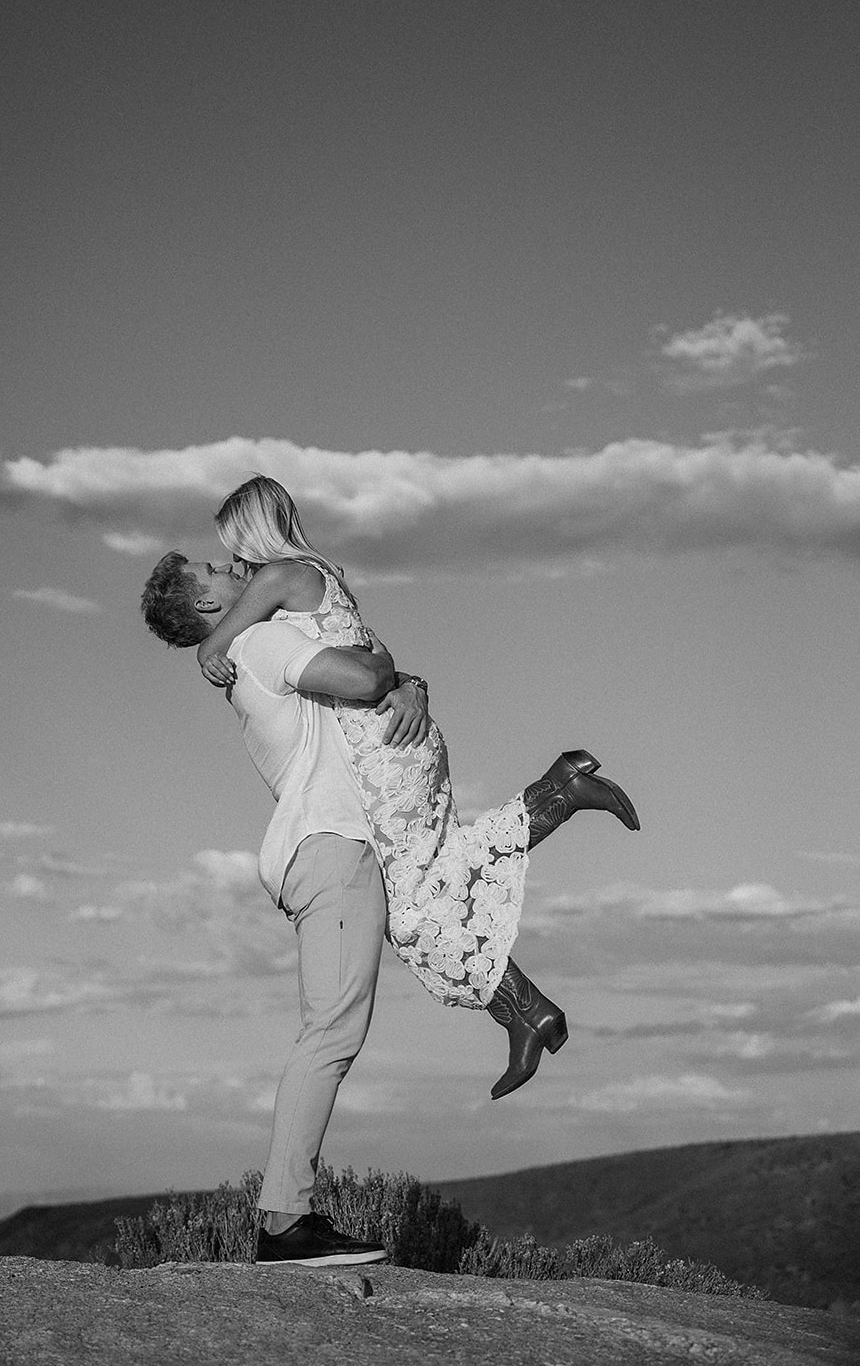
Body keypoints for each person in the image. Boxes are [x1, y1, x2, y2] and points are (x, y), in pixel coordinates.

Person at [142, 520, 639, 1266]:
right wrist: (392, 680)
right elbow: (367, 678)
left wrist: (409, 683)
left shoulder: (259, 643)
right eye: (214, 572)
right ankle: (284, 1222)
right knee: (332, 1033)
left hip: (345, 848)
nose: (232, 564)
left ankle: (530, 977)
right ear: (206, 610)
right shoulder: (257, 643)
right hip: (334, 849)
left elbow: (367, 687)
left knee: (425, 913)